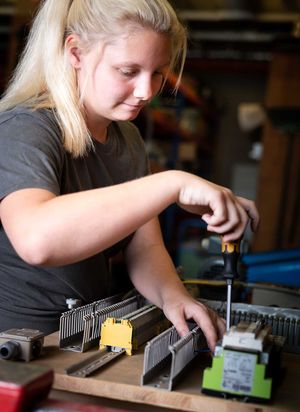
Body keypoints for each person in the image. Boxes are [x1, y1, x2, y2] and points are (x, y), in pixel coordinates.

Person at [0, 0, 259, 351]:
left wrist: (174, 297)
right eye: (127, 71)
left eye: (156, 72)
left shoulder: (128, 139)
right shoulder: (27, 127)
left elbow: (145, 245)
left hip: (77, 339)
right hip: (14, 348)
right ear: (75, 52)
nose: (146, 91)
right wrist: (172, 183)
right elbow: (37, 239)